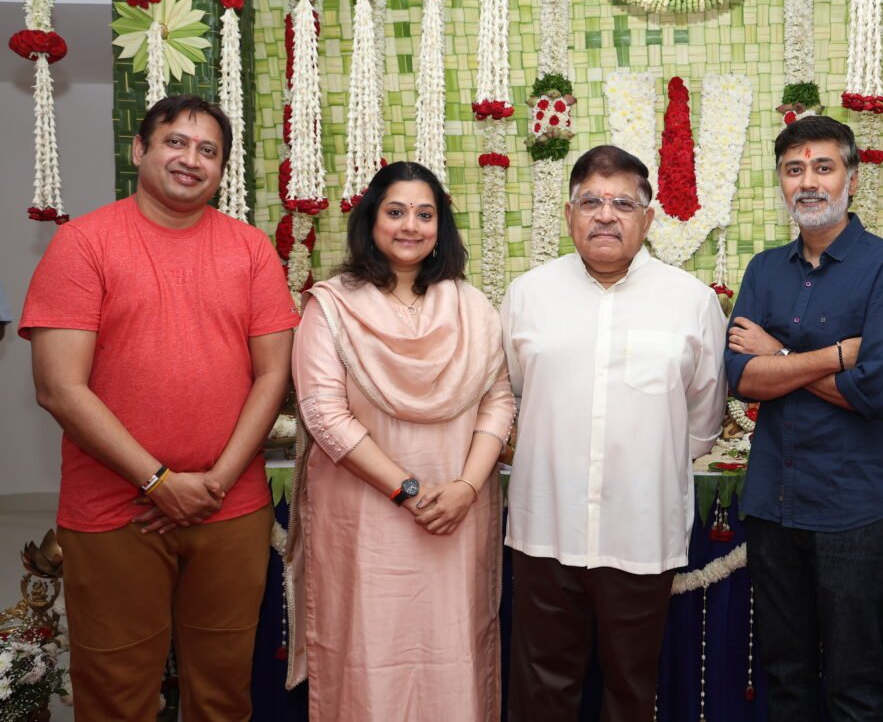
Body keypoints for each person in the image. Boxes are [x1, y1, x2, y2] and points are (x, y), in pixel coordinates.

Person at [20, 95, 297, 721]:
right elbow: (59, 388)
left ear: (221, 168)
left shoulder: (251, 249)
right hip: (115, 508)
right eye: (176, 142)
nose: (191, 159)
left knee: (223, 691)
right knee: (117, 691)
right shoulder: (83, 244)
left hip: (230, 506)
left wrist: (216, 481)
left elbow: (273, 374)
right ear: (139, 149)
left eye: (208, 150)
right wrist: (159, 481)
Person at [502, 145, 727, 721]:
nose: (606, 215)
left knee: (630, 689)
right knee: (541, 689)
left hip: (640, 530)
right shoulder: (528, 295)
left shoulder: (691, 301)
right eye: (591, 202)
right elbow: (514, 394)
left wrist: (649, 463)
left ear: (647, 218)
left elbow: (703, 416)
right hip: (546, 528)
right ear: (569, 214)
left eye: (623, 203)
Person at [286, 161, 515, 721]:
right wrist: (408, 491)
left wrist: (465, 488)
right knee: (369, 652)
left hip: (456, 517)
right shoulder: (331, 306)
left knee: (453, 649)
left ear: (441, 227)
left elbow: (499, 400)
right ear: (371, 220)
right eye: (396, 211)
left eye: (424, 214)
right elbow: (324, 415)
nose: (410, 225)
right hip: (365, 521)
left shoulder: (472, 307)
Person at [724, 116, 883, 721]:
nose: (808, 182)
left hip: (855, 510)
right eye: (794, 169)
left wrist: (779, 357)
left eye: (823, 167)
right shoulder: (764, 270)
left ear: (851, 180)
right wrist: (835, 356)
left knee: (852, 684)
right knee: (785, 680)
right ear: (781, 183)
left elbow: (879, 392)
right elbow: (741, 378)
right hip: (772, 505)